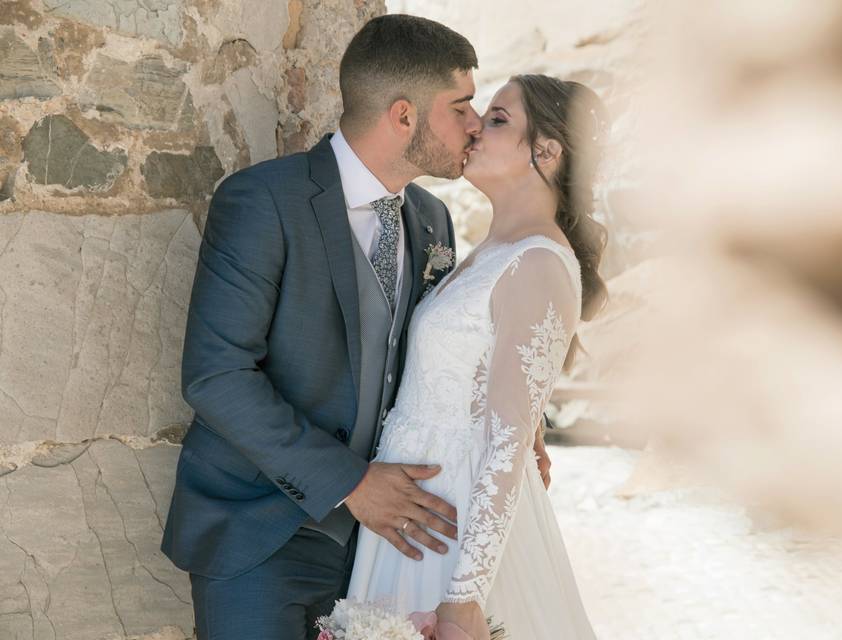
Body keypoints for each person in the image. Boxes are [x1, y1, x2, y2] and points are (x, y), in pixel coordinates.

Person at [161, 14, 552, 639]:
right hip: (262, 536)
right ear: (403, 116)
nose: (475, 124)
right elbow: (217, 375)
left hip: (389, 550)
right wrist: (351, 483)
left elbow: (441, 360)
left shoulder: (432, 220)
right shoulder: (263, 201)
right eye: (461, 106)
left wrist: (518, 414)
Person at [347, 74, 607, 639]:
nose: (474, 129)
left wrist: (464, 597)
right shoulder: (491, 249)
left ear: (547, 152)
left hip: (451, 529)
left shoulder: (538, 262)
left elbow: (507, 442)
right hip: (412, 508)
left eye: (496, 119)